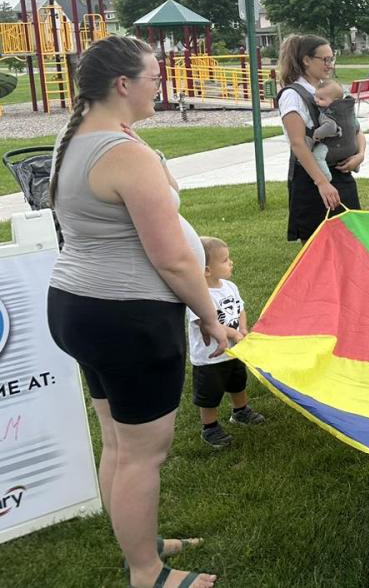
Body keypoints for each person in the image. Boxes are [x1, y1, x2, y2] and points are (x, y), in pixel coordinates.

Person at [46, 35, 240, 588]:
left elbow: (155, 197)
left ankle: (136, 541)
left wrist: (143, 148)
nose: (164, 85)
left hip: (82, 308)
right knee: (141, 454)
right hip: (126, 319)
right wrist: (208, 316)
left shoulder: (80, 136)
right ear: (123, 85)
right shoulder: (121, 153)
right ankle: (147, 572)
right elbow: (177, 260)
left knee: (117, 439)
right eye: (155, 78)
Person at [278, 35, 365, 242]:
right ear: (306, 60)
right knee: (320, 249)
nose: (329, 65)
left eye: (331, 59)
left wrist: (359, 155)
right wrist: (322, 182)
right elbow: (298, 143)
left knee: (350, 243)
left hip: (341, 175)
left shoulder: (329, 89)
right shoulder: (293, 95)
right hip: (312, 181)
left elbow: (353, 126)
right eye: (324, 60)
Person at [188, 237, 266, 449]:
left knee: (237, 382)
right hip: (210, 358)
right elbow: (207, 324)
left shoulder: (230, 286)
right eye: (224, 260)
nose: (230, 263)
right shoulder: (198, 295)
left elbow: (240, 309)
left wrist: (243, 329)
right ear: (206, 270)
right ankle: (210, 427)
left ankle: (240, 411)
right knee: (209, 395)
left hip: (234, 352)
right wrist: (233, 333)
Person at [307, 79, 359, 181]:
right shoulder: (348, 110)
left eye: (321, 99)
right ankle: (356, 167)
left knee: (317, 155)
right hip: (351, 148)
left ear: (334, 101)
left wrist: (316, 134)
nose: (316, 100)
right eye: (315, 96)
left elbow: (330, 127)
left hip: (333, 148)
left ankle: (326, 177)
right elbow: (356, 126)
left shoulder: (328, 113)